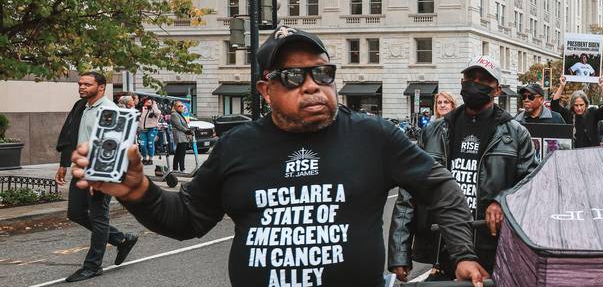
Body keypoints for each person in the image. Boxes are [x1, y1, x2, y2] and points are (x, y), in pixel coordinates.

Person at [69, 26, 488, 286]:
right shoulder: (237, 146)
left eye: (322, 73)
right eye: (293, 76)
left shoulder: (373, 136)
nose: (312, 86)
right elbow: (187, 219)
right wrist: (138, 190)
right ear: (266, 90)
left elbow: (440, 188)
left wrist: (463, 255)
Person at [390, 55, 537, 281]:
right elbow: (409, 191)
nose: (474, 84)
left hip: (493, 247)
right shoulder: (433, 132)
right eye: (470, 77)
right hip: (442, 245)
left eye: (483, 80)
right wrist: (399, 252)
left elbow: (532, 185)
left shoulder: (516, 134)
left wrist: (502, 200)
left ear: (497, 90)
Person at [54, 71, 139, 282]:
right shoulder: (81, 107)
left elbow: (117, 146)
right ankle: (121, 239)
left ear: (100, 87)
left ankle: (92, 266)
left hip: (101, 172)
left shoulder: (110, 110)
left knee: (99, 216)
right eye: (80, 83)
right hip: (81, 168)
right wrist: (64, 164)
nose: (81, 87)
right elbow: (70, 135)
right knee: (75, 213)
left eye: (87, 84)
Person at [550, 75, 603, 148]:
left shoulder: (592, 113)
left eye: (581, 105)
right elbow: (554, 106)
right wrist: (561, 86)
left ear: (586, 104)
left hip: (591, 153)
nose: (579, 108)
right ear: (572, 105)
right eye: (576, 105)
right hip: (572, 153)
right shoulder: (568, 114)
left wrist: (602, 87)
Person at [167, 100, 193, 172]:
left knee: (179, 153)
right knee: (181, 153)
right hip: (179, 135)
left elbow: (183, 125)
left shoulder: (180, 114)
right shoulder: (174, 114)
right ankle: (182, 169)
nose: (181, 107)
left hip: (183, 135)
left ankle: (175, 168)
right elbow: (178, 125)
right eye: (179, 106)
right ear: (175, 107)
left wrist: (188, 132)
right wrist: (187, 131)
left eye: (182, 106)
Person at [137, 97, 162, 165]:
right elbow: (140, 120)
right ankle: (144, 158)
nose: (147, 103)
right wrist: (138, 128)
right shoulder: (144, 111)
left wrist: (154, 104)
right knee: (142, 145)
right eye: (147, 102)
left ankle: (151, 159)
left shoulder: (157, 111)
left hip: (152, 129)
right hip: (143, 130)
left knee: (150, 144)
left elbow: (157, 112)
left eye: (149, 102)